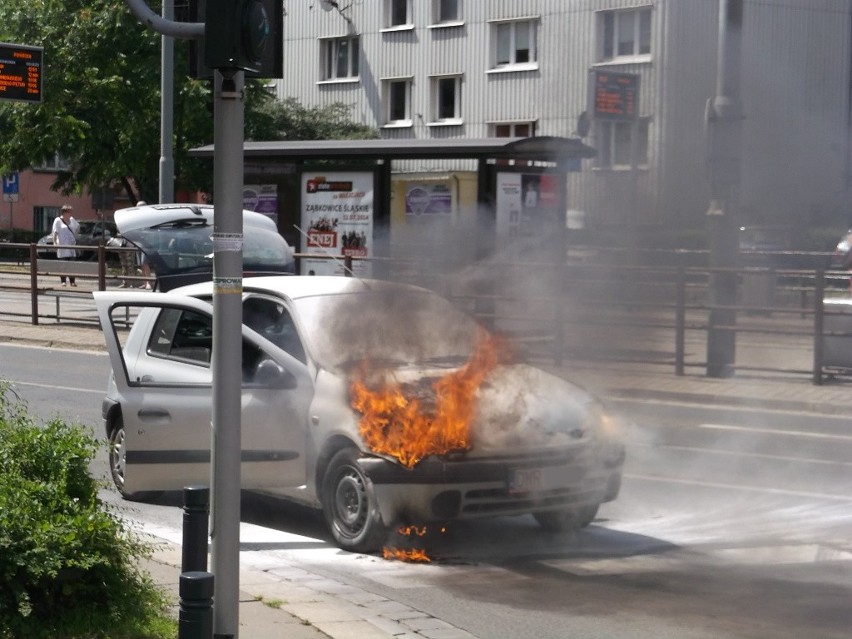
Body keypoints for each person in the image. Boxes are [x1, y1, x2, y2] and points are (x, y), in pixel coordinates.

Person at [51, 205, 80, 286]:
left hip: (71, 247)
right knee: (63, 265)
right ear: (64, 213)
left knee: (72, 265)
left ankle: (72, 282)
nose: (71, 214)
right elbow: (55, 232)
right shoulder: (58, 220)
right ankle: (63, 281)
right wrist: (55, 242)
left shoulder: (72, 220)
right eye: (69, 212)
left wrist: (75, 235)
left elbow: (78, 227)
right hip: (62, 246)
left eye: (71, 212)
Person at [136, 200, 153, 289]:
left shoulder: (148, 217)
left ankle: (149, 282)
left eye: (140, 206)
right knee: (141, 264)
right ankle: (144, 282)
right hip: (138, 242)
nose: (138, 208)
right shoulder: (137, 217)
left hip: (146, 242)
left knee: (145, 262)